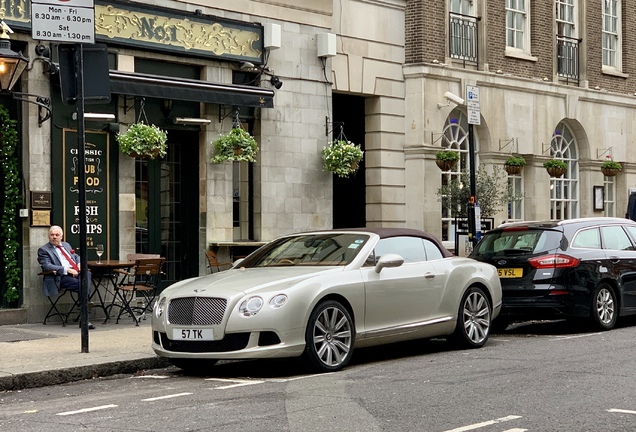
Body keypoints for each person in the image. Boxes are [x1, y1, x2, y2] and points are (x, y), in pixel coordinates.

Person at [38, 225, 95, 329]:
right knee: (82, 285)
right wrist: (67, 269)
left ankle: (83, 310)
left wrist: (78, 264)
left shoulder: (66, 245)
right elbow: (47, 266)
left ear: (62, 236)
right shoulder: (44, 250)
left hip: (76, 272)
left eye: (57, 235)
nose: (54, 237)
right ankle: (85, 311)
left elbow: (76, 256)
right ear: (48, 236)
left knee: (87, 274)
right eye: (52, 235)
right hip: (61, 277)